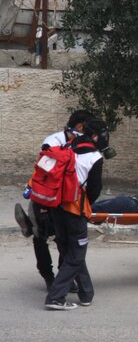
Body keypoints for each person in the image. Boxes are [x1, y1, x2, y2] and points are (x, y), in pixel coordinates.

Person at [15, 109, 94, 290]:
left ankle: (63, 275)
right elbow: (45, 170)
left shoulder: (80, 143)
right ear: (80, 126)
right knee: (40, 236)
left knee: (63, 238)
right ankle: (49, 277)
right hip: (46, 195)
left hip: (65, 197)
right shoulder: (53, 142)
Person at [45, 118, 109, 310]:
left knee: (68, 249)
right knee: (77, 253)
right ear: (96, 136)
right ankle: (55, 297)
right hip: (74, 209)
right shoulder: (95, 157)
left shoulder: (67, 146)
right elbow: (95, 190)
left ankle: (86, 293)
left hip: (56, 206)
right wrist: (85, 205)